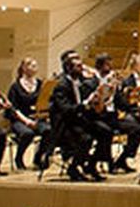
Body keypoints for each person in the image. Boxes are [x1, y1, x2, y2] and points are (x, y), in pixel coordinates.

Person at [47, 50, 113, 182]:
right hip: (65, 125)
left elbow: (88, 101)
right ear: (68, 68)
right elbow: (66, 110)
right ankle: (74, 167)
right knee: (85, 138)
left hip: (80, 121)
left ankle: (91, 164)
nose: (82, 68)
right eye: (78, 66)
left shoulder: (82, 82)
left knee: (106, 131)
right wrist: (84, 105)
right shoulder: (61, 85)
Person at [5, 57, 50, 171]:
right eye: (32, 66)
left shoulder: (40, 84)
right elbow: (13, 108)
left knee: (48, 131)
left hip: (37, 118)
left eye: (36, 66)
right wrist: (26, 121)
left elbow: (44, 102)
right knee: (27, 133)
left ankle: (38, 157)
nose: (35, 68)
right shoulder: (15, 87)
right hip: (20, 119)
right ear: (24, 68)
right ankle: (19, 158)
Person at [108, 53, 140, 173]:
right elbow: (123, 103)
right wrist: (134, 105)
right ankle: (123, 158)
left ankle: (127, 158)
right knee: (137, 127)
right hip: (130, 113)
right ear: (135, 66)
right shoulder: (127, 82)